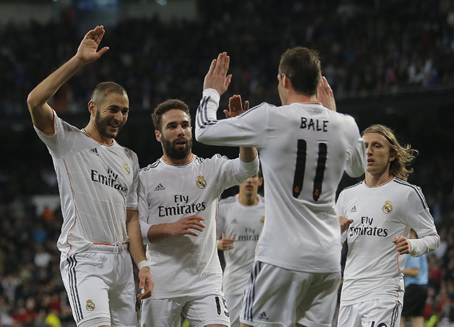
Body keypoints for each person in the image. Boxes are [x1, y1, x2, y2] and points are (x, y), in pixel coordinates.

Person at [195, 49, 366, 326]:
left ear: (284, 80)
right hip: (327, 260)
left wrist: (211, 92)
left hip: (280, 257)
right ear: (318, 81)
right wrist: (332, 113)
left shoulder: (271, 118)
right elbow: (357, 169)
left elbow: (203, 129)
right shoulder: (345, 124)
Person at [27, 25, 153, 327]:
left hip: (122, 262)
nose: (119, 117)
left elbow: (132, 219)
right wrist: (78, 61)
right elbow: (34, 101)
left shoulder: (129, 158)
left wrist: (143, 265)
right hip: (85, 258)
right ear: (92, 107)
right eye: (113, 109)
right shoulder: (66, 140)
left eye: (125, 111)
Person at [137, 98, 259, 327]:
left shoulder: (211, 168)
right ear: (158, 135)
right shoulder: (146, 178)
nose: (180, 131)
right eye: (172, 126)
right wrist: (171, 228)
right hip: (162, 283)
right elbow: (137, 229)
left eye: (185, 125)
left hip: (205, 282)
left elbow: (248, 168)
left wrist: (243, 131)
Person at [336, 124, 439, 327]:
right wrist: (334, 232)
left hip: (383, 293)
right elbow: (333, 246)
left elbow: (433, 238)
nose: (369, 151)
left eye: (377, 146)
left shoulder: (407, 193)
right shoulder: (347, 195)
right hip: (349, 294)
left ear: (391, 154)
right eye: (364, 146)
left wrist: (412, 245)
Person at [217, 172, 265, 327]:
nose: (249, 180)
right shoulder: (225, 207)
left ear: (260, 181)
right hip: (234, 280)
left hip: (263, 280)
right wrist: (218, 244)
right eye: (246, 177)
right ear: (238, 181)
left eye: (254, 177)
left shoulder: (270, 207)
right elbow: (208, 240)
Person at [401, 230, 429, 327]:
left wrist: (398, 270)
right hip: (423, 287)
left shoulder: (414, 247)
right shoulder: (420, 247)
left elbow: (415, 271)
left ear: (412, 233)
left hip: (414, 287)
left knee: (400, 316)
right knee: (418, 317)